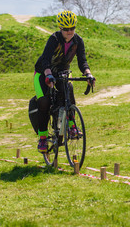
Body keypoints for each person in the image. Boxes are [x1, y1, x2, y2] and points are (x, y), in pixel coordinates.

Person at [34, 10, 95, 153]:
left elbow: (82, 62)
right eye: (66, 29)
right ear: (60, 28)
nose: (69, 32)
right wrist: (48, 75)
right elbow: (45, 60)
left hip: (62, 72)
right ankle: (42, 138)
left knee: (68, 91)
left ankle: (72, 126)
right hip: (43, 72)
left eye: (72, 28)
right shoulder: (54, 39)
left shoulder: (78, 41)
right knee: (44, 103)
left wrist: (89, 74)